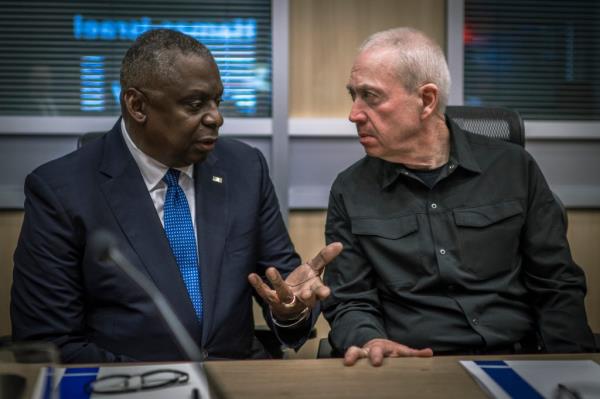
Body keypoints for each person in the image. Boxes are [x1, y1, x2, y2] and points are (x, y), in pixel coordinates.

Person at [11, 29, 341, 363]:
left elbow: (283, 288)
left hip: (240, 382)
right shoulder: (61, 190)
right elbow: (49, 343)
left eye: (217, 101)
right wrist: (165, 383)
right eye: (195, 104)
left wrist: (290, 311)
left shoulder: (245, 169)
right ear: (137, 105)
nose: (216, 117)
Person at [322, 27, 596, 367]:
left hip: (516, 358)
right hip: (412, 367)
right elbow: (350, 300)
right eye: (354, 96)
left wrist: (570, 369)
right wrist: (369, 339)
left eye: (371, 97)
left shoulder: (513, 168)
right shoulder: (350, 190)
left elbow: (556, 284)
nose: (354, 114)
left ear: (426, 100)